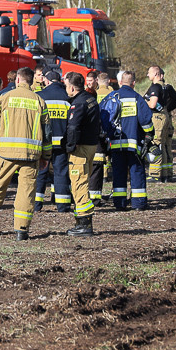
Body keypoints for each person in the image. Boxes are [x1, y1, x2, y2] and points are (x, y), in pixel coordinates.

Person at [0, 67, 51, 241]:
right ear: (31, 82)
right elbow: (47, 133)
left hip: (6, 154)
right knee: (26, 192)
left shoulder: (4, 97)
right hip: (30, 156)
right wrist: (46, 156)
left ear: (17, 80)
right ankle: (21, 231)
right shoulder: (39, 101)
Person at [100, 70, 154, 211]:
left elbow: (103, 118)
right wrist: (149, 134)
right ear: (134, 83)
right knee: (136, 172)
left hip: (115, 144)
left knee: (118, 173)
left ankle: (120, 203)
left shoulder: (111, 97)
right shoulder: (137, 98)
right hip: (133, 144)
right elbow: (145, 121)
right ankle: (138, 203)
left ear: (120, 82)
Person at [65, 72, 101, 236]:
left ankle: (84, 223)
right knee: (83, 180)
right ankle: (83, 221)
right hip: (91, 145)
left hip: (81, 149)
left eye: (67, 86)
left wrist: (70, 146)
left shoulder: (78, 103)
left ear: (72, 87)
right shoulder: (90, 99)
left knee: (78, 183)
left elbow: (73, 127)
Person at [34, 70, 72, 214]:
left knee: (41, 172)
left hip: (44, 142)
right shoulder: (67, 97)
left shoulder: (40, 96)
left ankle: (37, 204)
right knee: (61, 172)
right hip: (62, 143)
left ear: (47, 81)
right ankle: (63, 206)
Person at [145, 66, 176, 181]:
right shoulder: (165, 87)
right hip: (164, 117)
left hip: (157, 119)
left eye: (149, 73)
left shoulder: (156, 87)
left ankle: (155, 174)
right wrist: (167, 109)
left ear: (155, 74)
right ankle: (166, 173)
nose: (147, 75)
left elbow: (153, 104)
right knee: (164, 145)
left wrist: (143, 103)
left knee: (156, 143)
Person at [89, 71, 115, 202]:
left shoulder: (94, 95)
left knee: (95, 165)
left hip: (95, 133)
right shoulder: (113, 95)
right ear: (109, 81)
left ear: (97, 81)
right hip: (109, 131)